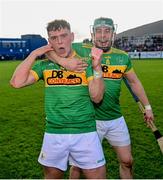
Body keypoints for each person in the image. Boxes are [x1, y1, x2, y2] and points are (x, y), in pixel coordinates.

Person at [48, 17, 154, 179]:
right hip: (89, 121)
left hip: (115, 118)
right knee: (77, 167)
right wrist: (63, 61)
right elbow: (49, 49)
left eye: (107, 31)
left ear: (113, 34)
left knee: (127, 161)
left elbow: (134, 82)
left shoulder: (122, 57)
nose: (102, 36)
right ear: (92, 33)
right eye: (98, 31)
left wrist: (147, 108)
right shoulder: (81, 49)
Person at [10, 19, 106, 179]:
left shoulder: (85, 63)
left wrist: (97, 69)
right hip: (54, 133)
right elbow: (16, 82)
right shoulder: (44, 66)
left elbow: (97, 98)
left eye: (63, 35)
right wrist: (34, 54)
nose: (59, 41)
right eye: (54, 38)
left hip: (85, 132)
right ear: (49, 41)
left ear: (72, 36)